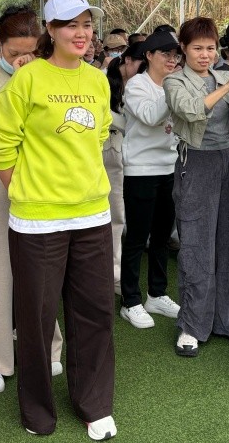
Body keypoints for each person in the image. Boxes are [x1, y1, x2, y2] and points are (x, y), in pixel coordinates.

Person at [0, 0, 116, 439]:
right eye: (70, 24)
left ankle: (93, 404)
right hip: (37, 221)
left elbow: (99, 134)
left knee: (95, 312)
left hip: (92, 215)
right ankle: (37, 412)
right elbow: (1, 141)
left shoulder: (98, 80)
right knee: (37, 320)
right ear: (51, 30)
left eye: (87, 24)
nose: (81, 33)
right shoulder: (28, 79)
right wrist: (22, 188)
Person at [0, 6, 64, 396]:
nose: (23, 59)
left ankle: (46, 346)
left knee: (42, 267)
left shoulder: (49, 71)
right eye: (14, 53)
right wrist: (17, 81)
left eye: (31, 52)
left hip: (39, 173)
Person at [163, 17, 229, 359]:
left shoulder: (225, 76)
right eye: (197, 48)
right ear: (183, 49)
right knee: (196, 244)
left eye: (210, 48)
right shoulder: (175, 80)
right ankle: (192, 325)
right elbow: (190, 110)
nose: (205, 54)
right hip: (196, 163)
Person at [119, 30, 182, 330]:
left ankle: (156, 294)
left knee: (161, 237)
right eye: (165, 54)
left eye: (175, 55)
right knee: (136, 238)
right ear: (148, 55)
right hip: (141, 170)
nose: (172, 60)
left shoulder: (173, 83)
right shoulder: (137, 85)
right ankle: (130, 300)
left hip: (169, 167)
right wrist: (174, 90)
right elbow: (151, 116)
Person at [103, 58, 128, 291]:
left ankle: (115, 272)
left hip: (123, 154)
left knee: (117, 215)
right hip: (104, 152)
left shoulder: (150, 83)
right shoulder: (102, 80)